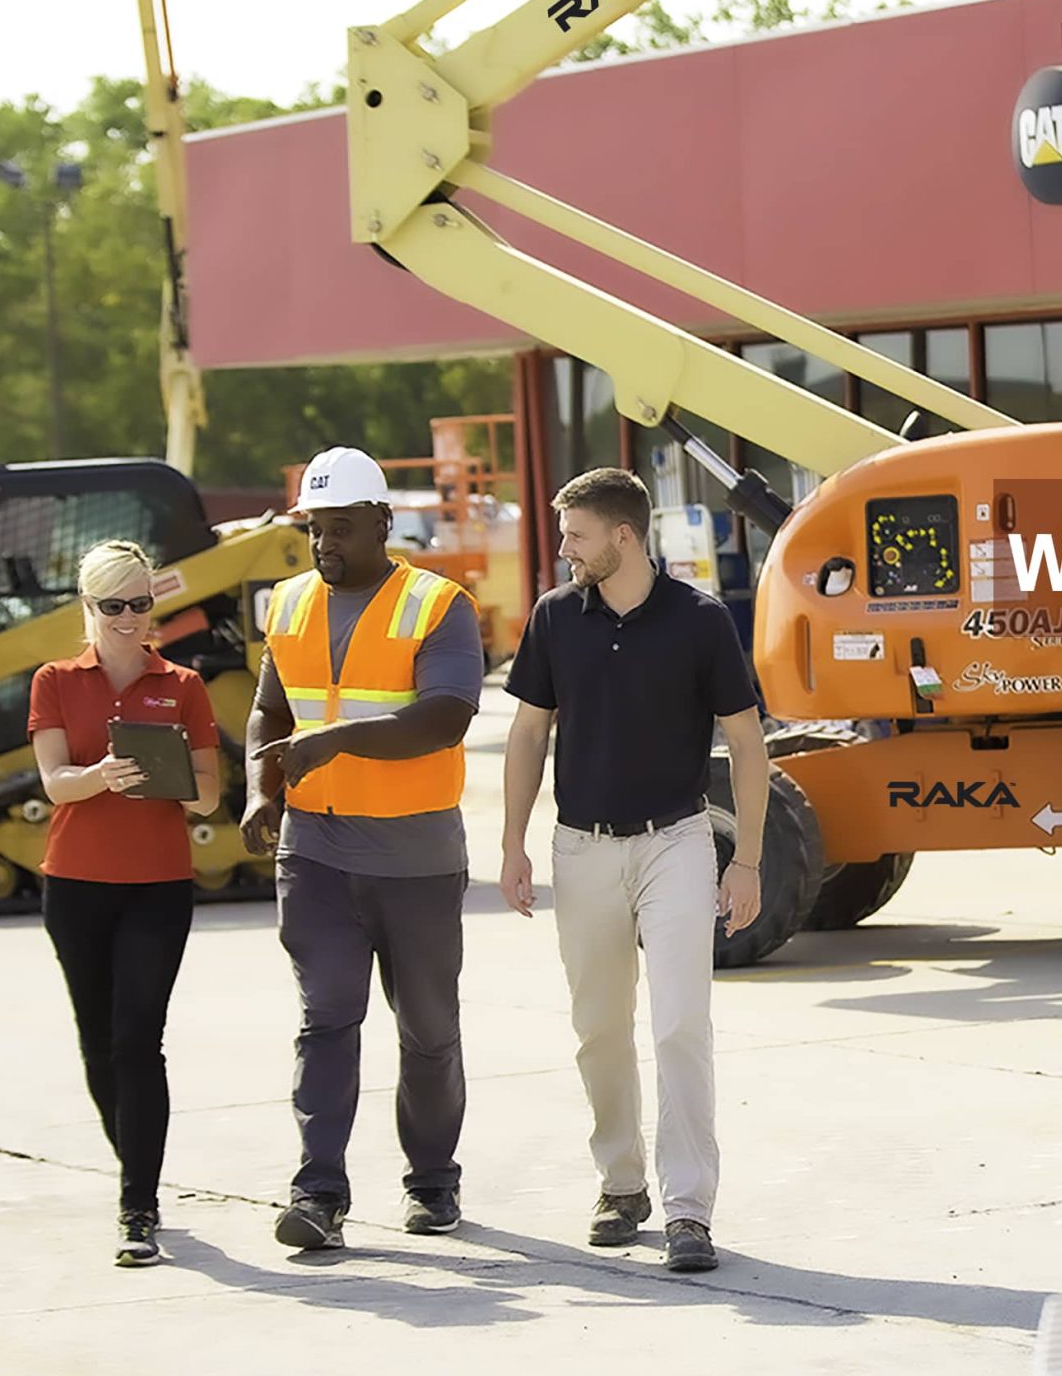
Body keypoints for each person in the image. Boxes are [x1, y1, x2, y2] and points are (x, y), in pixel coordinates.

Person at [500, 466, 766, 1273]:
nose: (565, 549)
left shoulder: (700, 619)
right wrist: (512, 842)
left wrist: (747, 858)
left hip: (675, 843)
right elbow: (526, 734)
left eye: (576, 534)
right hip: (580, 848)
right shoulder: (554, 617)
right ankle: (621, 1185)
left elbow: (748, 744)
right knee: (599, 1028)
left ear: (624, 535)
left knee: (682, 1023)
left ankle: (689, 1208)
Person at [244, 446, 482, 1252]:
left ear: (383, 522)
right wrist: (260, 792)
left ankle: (433, 1180)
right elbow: (270, 713)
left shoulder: (436, 604)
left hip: (415, 861)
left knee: (427, 1028)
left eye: (342, 527)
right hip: (316, 855)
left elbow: (446, 716)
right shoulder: (288, 604)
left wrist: (336, 740)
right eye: (315, 528)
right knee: (326, 1019)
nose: (324, 544)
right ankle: (318, 1194)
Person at [28, 539, 224, 1268]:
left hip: (157, 885)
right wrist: (100, 775)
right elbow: (54, 781)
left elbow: (207, 791)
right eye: (112, 605)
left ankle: (138, 1202)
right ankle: (134, 1161)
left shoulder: (183, 684)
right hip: (75, 882)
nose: (127, 618)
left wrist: (163, 771)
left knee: (140, 1037)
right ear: (88, 607)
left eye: (140, 604)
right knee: (98, 1042)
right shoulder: (54, 680)